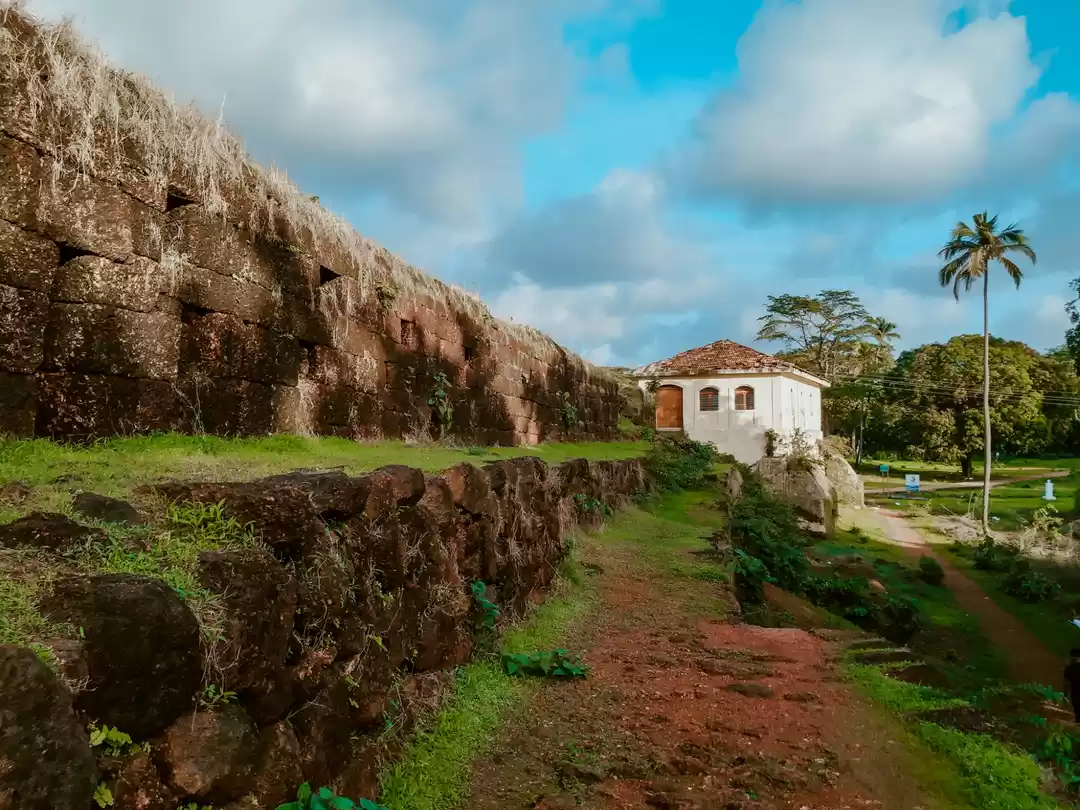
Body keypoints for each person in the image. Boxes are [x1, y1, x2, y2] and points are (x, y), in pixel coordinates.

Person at [1065, 649, 1080, 722]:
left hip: (1076, 693)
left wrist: (1066, 694)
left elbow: (1067, 683)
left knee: (1077, 710)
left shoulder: (1070, 668)